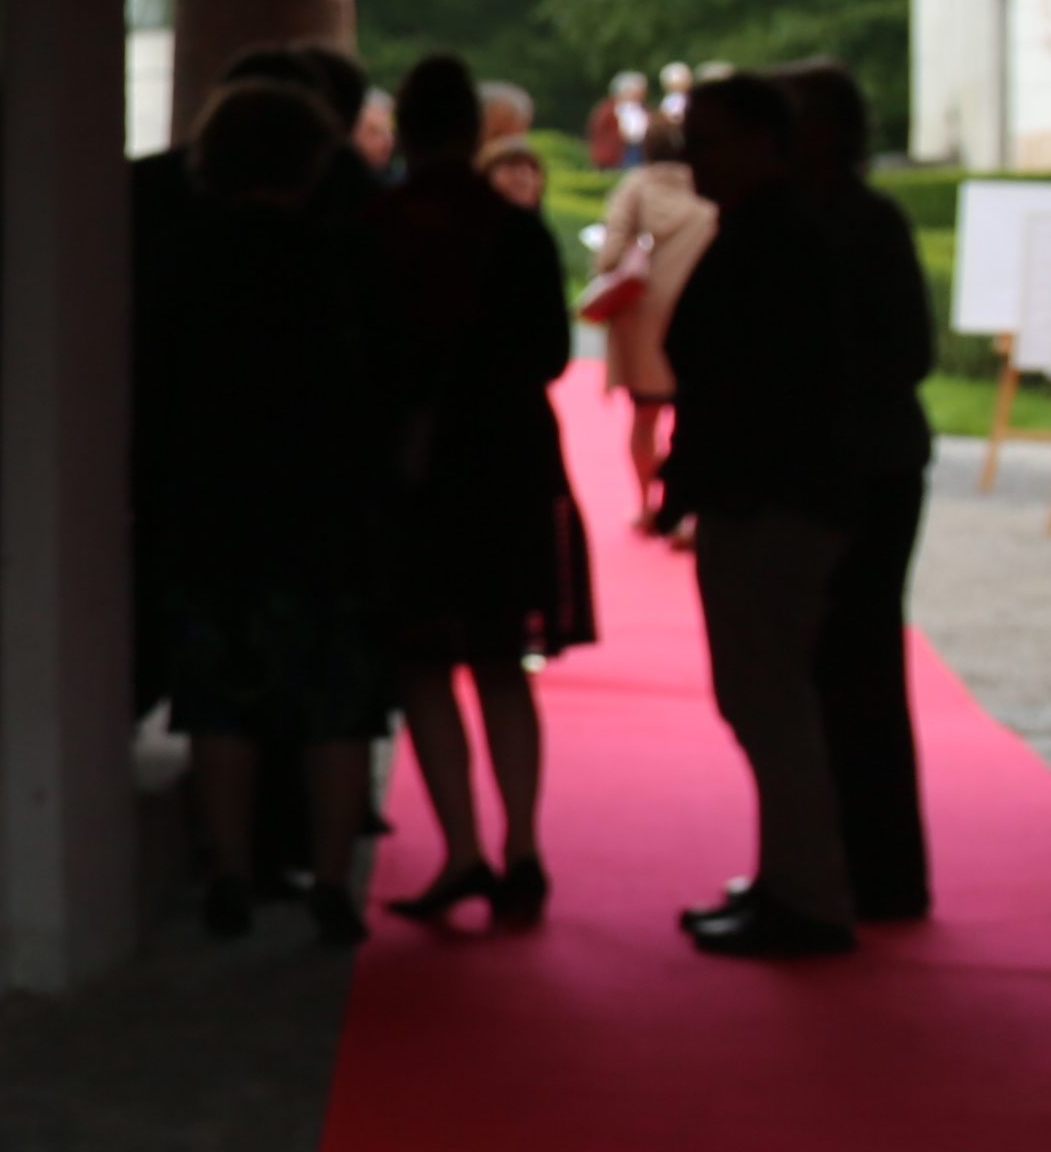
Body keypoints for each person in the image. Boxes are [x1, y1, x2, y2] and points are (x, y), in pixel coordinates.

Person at [138, 79, 394, 940]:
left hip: (212, 505)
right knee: (337, 707)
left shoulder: (181, 256)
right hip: (328, 509)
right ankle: (332, 881)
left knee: (218, 702)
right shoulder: (346, 259)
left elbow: (153, 386)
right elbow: (386, 385)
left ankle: (231, 872)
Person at [363, 55, 577, 927]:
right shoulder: (514, 230)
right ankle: (523, 845)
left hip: (415, 468)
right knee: (500, 659)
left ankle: (461, 851)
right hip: (507, 458)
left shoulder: (378, 225)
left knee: (422, 663)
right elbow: (552, 353)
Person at [656, 75, 865, 959]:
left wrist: (718, 484)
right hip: (774, 492)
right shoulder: (775, 228)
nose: (691, 159)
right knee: (767, 695)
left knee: (767, 697)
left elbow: (753, 381)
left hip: (770, 497)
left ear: (759, 143)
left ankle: (806, 893)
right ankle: (795, 877)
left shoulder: (773, 237)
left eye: (706, 141)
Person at [779, 61, 939, 922]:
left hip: (867, 468)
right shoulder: (813, 218)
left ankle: (877, 871)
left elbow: (907, 351)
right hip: (848, 462)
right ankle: (848, 860)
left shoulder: (863, 223)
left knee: (859, 667)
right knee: (836, 668)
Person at [586, 140, 718, 533]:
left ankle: (647, 507)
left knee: (645, 417)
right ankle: (690, 515)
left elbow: (610, 257)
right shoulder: (712, 186)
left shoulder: (634, 189)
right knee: (694, 421)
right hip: (701, 316)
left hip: (643, 320)